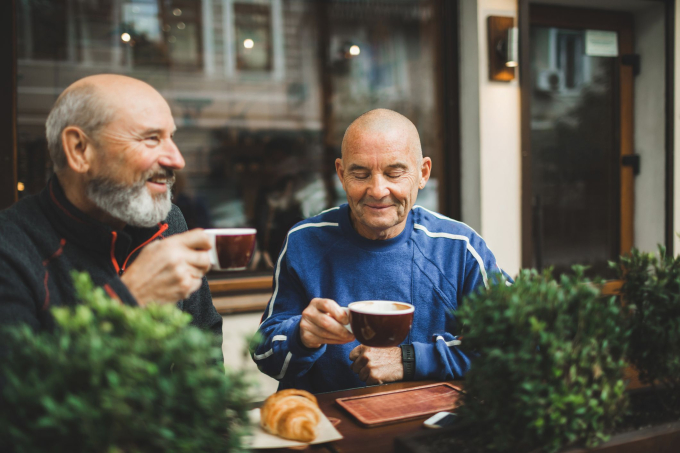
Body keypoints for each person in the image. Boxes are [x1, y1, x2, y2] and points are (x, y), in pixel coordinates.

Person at [252, 109, 509, 393]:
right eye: (360, 174)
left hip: (429, 427)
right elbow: (264, 355)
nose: (377, 190)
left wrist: (410, 360)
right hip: (328, 428)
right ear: (341, 174)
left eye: (394, 173)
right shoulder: (304, 242)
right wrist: (301, 336)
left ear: (423, 173)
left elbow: (516, 342)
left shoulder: (458, 248)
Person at [0, 74, 222, 341]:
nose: (177, 159)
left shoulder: (170, 220)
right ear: (80, 149)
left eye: (171, 137)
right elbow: (20, 380)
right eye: (151, 138)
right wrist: (128, 299)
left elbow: (203, 348)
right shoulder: (9, 250)